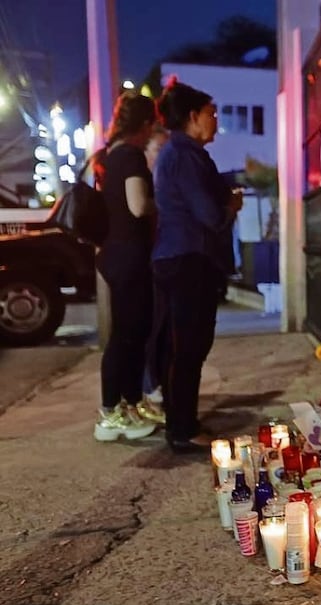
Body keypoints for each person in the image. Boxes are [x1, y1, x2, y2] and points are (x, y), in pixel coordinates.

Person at [153, 79, 242, 452]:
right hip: (188, 257)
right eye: (211, 113)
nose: (216, 120)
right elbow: (206, 213)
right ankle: (183, 429)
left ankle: (181, 422)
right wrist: (229, 207)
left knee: (182, 346)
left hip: (177, 256)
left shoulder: (179, 152)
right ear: (192, 116)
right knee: (189, 346)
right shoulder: (185, 154)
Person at [93, 92, 160, 442]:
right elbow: (137, 206)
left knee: (132, 332)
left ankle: (130, 404)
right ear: (145, 124)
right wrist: (162, 199)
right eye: (152, 125)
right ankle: (110, 412)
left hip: (115, 255)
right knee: (127, 335)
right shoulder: (131, 156)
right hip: (129, 255)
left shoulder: (109, 155)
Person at [136, 126, 170, 426]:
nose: (164, 154)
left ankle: (155, 388)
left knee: (161, 328)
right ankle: (149, 390)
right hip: (144, 266)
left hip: (160, 263)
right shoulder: (144, 184)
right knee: (148, 329)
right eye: (159, 149)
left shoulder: (161, 181)